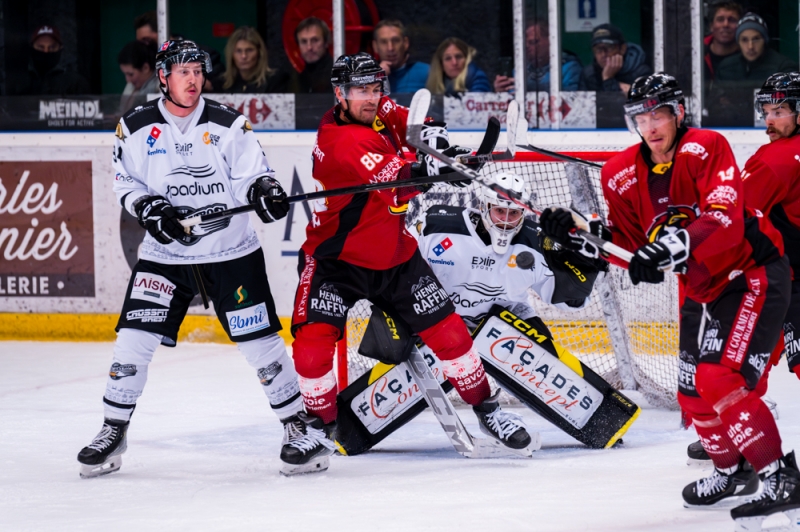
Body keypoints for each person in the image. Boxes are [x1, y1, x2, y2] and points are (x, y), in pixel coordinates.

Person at [539, 73, 798, 525]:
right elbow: (628, 246)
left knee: (719, 377)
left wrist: (670, 247)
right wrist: (580, 236)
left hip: (750, 271)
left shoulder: (706, 147)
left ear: (678, 114)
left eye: (659, 113)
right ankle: (730, 470)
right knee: (691, 393)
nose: (652, 124)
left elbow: (723, 218)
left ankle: (781, 477)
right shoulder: (620, 173)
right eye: (642, 116)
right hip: (701, 285)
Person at [289, 52, 533, 473]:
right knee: (311, 350)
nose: (371, 98)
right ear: (339, 94)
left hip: (396, 257)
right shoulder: (340, 141)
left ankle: (487, 409)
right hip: (335, 261)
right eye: (360, 90)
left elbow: (418, 127)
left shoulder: (376, 108)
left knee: (453, 338)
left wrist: (443, 149)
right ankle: (318, 428)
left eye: (375, 88)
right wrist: (436, 169)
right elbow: (402, 185)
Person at [76, 40, 308, 478]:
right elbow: (126, 182)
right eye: (182, 71)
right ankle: (113, 428)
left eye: (198, 70)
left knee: (260, 344)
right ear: (162, 77)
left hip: (230, 252)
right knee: (132, 342)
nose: (192, 78)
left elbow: (254, 175)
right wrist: (149, 208)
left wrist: (264, 192)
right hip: (164, 256)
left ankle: (297, 427)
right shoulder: (136, 126)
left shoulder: (228, 124)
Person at [493, 19, 581, 93]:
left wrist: (528, 89)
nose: (527, 47)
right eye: (524, 44)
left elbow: (570, 100)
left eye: (533, 42)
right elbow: (511, 101)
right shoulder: (520, 70)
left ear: (551, 41)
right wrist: (501, 93)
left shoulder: (569, 68)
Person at [717, 13, 798, 89]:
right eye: (744, 40)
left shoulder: (783, 68)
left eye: (756, 39)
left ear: (765, 40)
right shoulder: (725, 68)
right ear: (738, 42)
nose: (750, 46)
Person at [9, 24, 90, 95]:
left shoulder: (75, 83)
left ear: (60, 48)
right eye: (40, 47)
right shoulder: (19, 82)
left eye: (52, 47)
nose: (46, 51)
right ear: (32, 48)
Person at [578, 23, 652, 94]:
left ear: (622, 49)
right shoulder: (589, 74)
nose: (603, 54)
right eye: (598, 49)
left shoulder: (641, 73)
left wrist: (608, 79)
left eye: (608, 47)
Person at [211, 26, 287, 93]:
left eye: (249, 50)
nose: (244, 56)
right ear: (231, 55)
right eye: (238, 51)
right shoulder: (221, 84)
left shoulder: (275, 81)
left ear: (259, 53)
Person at [372, 20, 429, 94]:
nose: (390, 48)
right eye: (384, 42)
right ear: (375, 46)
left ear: (405, 43)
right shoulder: (366, 78)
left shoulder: (426, 72)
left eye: (395, 41)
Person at [425, 37, 490, 96]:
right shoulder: (436, 83)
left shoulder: (477, 78)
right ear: (441, 64)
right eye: (448, 58)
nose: (454, 62)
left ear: (467, 59)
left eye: (458, 57)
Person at [287, 17, 333, 93]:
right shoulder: (297, 79)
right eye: (304, 42)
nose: (309, 47)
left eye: (315, 40)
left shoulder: (339, 76)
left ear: (326, 42)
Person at [703, 1, 743, 81]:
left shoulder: (748, 54)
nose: (725, 25)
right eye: (720, 20)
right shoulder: (697, 53)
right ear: (711, 26)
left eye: (732, 20)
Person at [118, 40, 159, 112]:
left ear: (145, 68)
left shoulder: (157, 88)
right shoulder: (131, 86)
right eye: (125, 74)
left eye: (130, 74)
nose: (128, 80)